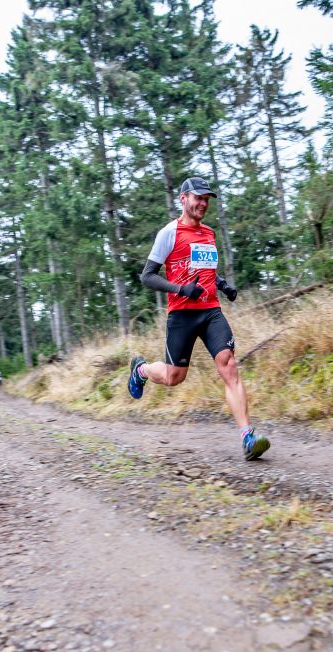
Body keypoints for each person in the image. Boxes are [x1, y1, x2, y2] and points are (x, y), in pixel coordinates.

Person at [128, 177, 270, 461]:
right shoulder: (169, 233)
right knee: (174, 377)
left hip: (210, 311)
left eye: (207, 199)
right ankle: (141, 370)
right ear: (183, 199)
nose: (203, 203)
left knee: (228, 364)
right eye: (198, 198)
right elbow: (147, 276)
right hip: (182, 313)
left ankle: (248, 437)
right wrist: (181, 289)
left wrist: (222, 285)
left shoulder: (208, 233)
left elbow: (204, 269)